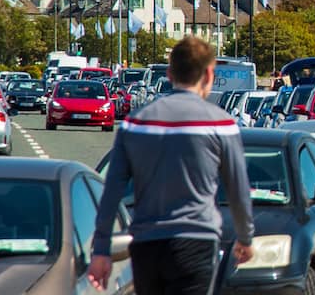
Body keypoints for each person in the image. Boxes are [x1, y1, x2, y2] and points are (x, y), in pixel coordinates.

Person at [89, 36, 255, 294]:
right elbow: (238, 189)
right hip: (197, 241)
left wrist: (101, 250)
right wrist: (245, 237)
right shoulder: (221, 124)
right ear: (209, 74)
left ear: (169, 74)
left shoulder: (136, 123)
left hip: (146, 243)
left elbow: (111, 192)